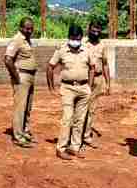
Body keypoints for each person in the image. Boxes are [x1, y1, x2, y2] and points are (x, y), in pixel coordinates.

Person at [47, 25, 95, 160]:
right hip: (67, 88)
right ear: (69, 37)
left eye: (78, 38)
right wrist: (51, 87)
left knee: (80, 120)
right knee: (67, 119)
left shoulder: (87, 50)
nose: (75, 41)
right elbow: (50, 67)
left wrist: (89, 86)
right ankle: (61, 148)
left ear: (81, 38)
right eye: (73, 38)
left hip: (83, 88)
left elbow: (92, 68)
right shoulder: (62, 50)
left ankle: (74, 147)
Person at [4, 17, 37, 148]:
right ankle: (18, 136)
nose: (30, 31)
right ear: (21, 28)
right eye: (27, 28)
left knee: (27, 107)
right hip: (22, 76)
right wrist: (16, 77)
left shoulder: (27, 40)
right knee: (20, 107)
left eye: (31, 28)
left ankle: (24, 131)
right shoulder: (17, 40)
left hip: (30, 76)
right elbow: (7, 59)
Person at [82, 21, 110, 149]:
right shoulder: (82, 44)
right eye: (93, 30)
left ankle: (86, 136)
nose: (95, 33)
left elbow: (105, 64)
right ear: (88, 29)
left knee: (91, 109)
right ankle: (76, 134)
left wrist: (108, 82)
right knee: (80, 108)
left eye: (98, 31)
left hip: (97, 80)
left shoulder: (102, 46)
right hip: (84, 79)